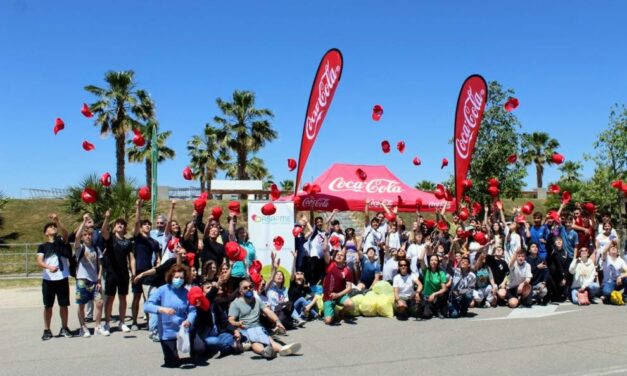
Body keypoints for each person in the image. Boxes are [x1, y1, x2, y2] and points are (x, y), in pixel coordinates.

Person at [228, 280, 301, 359]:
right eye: (245, 288)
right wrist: (238, 324)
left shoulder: (257, 301)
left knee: (269, 339)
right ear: (241, 291)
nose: (249, 289)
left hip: (258, 327)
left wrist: (277, 321)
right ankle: (265, 352)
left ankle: (282, 349)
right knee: (255, 341)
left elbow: (268, 311)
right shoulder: (235, 303)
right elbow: (231, 320)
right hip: (245, 329)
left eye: (250, 287)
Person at [144, 264, 197, 368]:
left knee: (199, 352)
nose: (179, 280)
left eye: (181, 278)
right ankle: (174, 356)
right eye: (176, 277)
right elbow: (147, 306)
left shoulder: (187, 293)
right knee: (172, 363)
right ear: (171, 277)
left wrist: (189, 321)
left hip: (183, 329)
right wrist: (162, 309)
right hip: (167, 331)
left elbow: (192, 311)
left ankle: (194, 352)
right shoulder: (162, 290)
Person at [37, 213, 72, 340]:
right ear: (46, 232)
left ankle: (64, 327)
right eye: (50, 227)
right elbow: (39, 261)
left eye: (54, 226)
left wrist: (57, 220)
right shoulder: (43, 246)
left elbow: (65, 233)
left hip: (62, 278)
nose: (53, 228)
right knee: (48, 306)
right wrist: (49, 267)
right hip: (48, 280)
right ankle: (47, 329)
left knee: (64, 305)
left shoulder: (61, 241)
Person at [101, 208, 135, 334]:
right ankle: (107, 324)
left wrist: (134, 273)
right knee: (109, 299)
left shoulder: (128, 242)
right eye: (118, 224)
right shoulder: (110, 238)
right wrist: (107, 217)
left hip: (123, 274)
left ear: (125, 228)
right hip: (111, 273)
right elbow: (103, 230)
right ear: (114, 227)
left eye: (122, 224)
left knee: (123, 298)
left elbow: (131, 259)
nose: (120, 225)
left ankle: (122, 322)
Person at [73, 215, 105, 337]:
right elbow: (76, 236)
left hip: (94, 281)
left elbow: (100, 264)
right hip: (82, 280)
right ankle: (83, 327)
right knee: (81, 305)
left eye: (90, 235)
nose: (88, 236)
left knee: (99, 303)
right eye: (85, 235)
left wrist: (99, 277)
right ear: (82, 237)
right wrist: (84, 222)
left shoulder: (96, 249)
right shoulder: (79, 248)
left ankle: (97, 326)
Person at [131, 199, 160, 331]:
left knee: (148, 298)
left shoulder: (153, 242)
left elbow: (158, 256)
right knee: (136, 297)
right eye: (145, 225)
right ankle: (134, 322)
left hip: (148, 272)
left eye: (149, 225)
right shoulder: (138, 237)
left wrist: (158, 263)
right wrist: (138, 207)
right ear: (141, 228)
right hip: (138, 271)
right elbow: (136, 222)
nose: (147, 226)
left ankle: (150, 323)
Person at [322, 248, 355, 325]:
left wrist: (337, 295)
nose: (339, 256)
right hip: (328, 297)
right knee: (328, 321)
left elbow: (349, 287)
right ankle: (332, 313)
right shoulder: (330, 264)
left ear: (345, 259)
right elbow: (325, 249)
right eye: (337, 255)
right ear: (334, 256)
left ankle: (341, 312)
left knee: (350, 304)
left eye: (342, 255)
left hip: (339, 295)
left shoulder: (347, 270)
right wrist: (326, 235)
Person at [264, 252, 295, 330]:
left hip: (282, 311)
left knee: (290, 304)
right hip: (273, 312)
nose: (279, 276)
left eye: (281, 275)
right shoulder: (270, 287)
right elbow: (271, 276)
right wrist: (273, 262)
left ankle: (284, 324)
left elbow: (286, 302)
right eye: (277, 275)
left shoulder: (285, 289)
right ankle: (278, 325)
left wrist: (285, 304)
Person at [417, 254, 449, 319]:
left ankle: (437, 310)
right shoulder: (426, 271)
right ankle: (431, 309)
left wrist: (434, 294)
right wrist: (425, 247)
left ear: (438, 262)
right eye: (431, 260)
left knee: (445, 313)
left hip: (437, 297)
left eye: (435, 260)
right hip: (426, 297)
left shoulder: (441, 273)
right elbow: (420, 258)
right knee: (426, 315)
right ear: (429, 262)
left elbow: (444, 289)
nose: (433, 261)